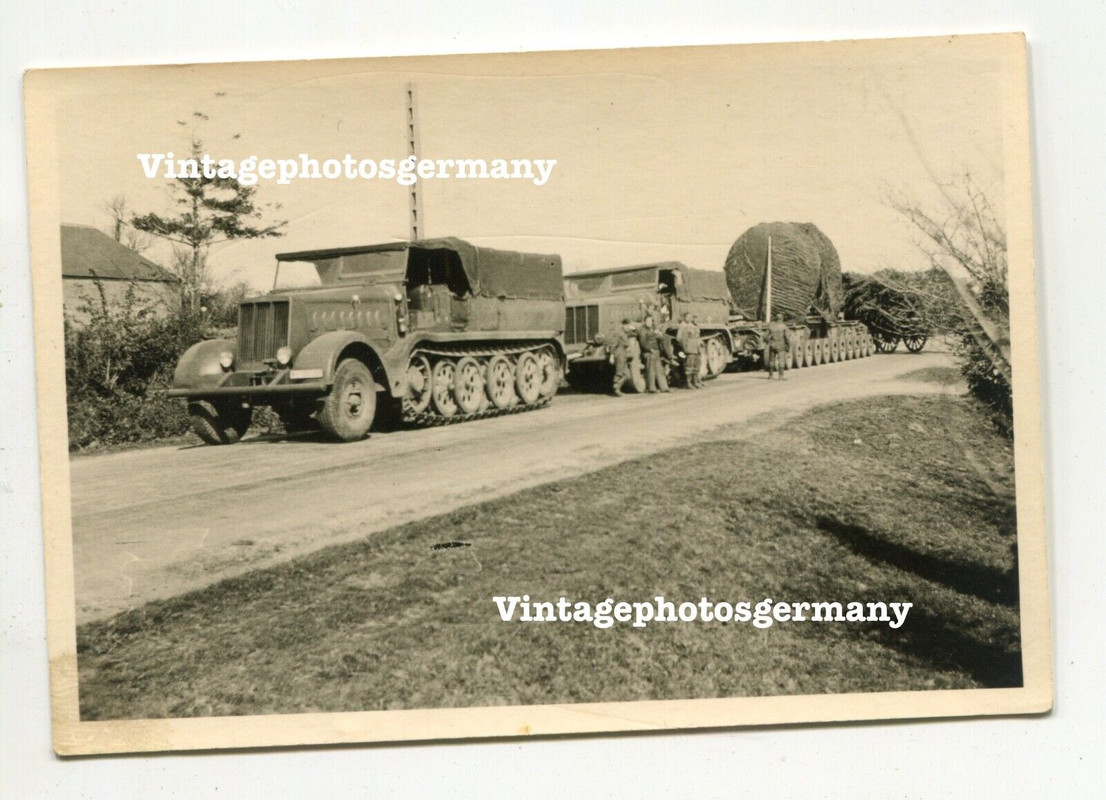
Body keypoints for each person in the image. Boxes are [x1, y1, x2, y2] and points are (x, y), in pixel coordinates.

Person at [636, 315, 670, 393]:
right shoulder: (642, 330)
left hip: (656, 351)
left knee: (659, 370)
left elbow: (661, 338)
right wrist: (650, 349)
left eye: (651, 321)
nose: (650, 323)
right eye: (648, 321)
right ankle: (651, 388)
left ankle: (664, 387)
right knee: (650, 370)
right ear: (645, 322)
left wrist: (659, 334)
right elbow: (643, 342)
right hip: (649, 352)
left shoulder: (653, 328)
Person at [676, 312, 703, 389]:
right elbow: (680, 338)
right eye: (688, 317)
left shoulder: (693, 326)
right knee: (689, 367)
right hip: (690, 349)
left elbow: (697, 337)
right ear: (684, 318)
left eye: (691, 317)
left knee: (696, 365)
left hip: (696, 349)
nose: (690, 319)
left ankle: (695, 382)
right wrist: (685, 348)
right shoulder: (684, 326)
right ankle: (689, 383)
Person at [609, 318, 635, 396]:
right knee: (619, 372)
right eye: (626, 325)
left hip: (623, 353)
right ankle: (617, 389)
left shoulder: (625, 332)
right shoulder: (618, 332)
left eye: (628, 325)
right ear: (622, 325)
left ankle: (617, 386)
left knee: (627, 375)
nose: (627, 326)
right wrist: (611, 356)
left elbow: (635, 334)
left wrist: (634, 329)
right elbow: (613, 344)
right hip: (619, 353)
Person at [765, 312, 793, 380]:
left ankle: (770, 375)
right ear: (782, 319)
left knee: (771, 360)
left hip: (772, 345)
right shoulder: (784, 327)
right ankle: (781, 376)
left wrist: (769, 342)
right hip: (781, 345)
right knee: (781, 360)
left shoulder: (771, 326)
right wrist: (788, 346)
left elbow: (765, 336)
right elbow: (787, 338)